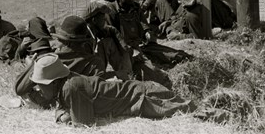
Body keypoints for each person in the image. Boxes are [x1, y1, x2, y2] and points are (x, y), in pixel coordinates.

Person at [25, 54, 193, 125]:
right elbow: (64, 108)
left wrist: (63, 115)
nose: (39, 89)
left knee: (193, 111)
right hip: (142, 94)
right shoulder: (67, 83)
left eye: (40, 84)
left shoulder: (71, 87)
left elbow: (83, 124)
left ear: (53, 82)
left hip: (146, 97)